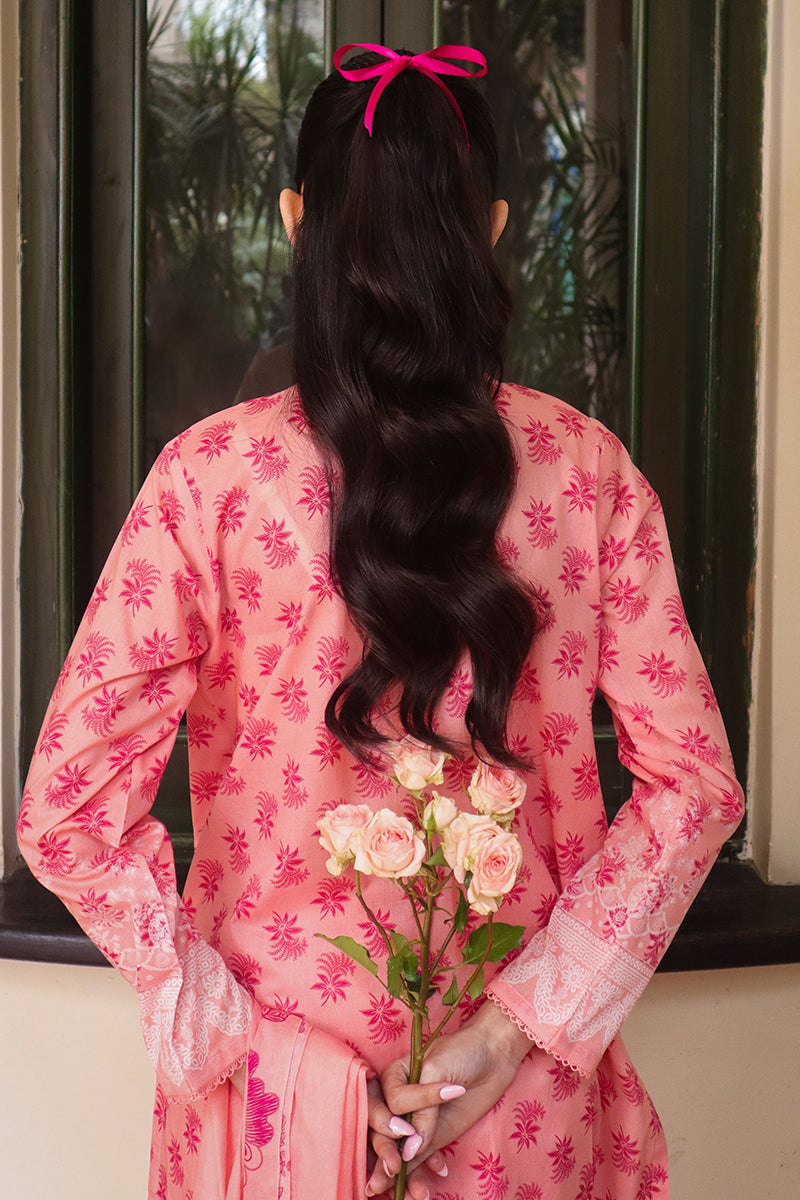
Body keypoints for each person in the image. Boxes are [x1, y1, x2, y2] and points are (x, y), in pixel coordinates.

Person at [18, 44, 744, 1200]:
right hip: (514, 1109)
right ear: (491, 228)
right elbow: (694, 791)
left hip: (263, 1110)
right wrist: (512, 1029)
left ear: (294, 220)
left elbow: (66, 814)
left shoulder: (208, 481)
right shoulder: (587, 474)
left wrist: (238, 1041)